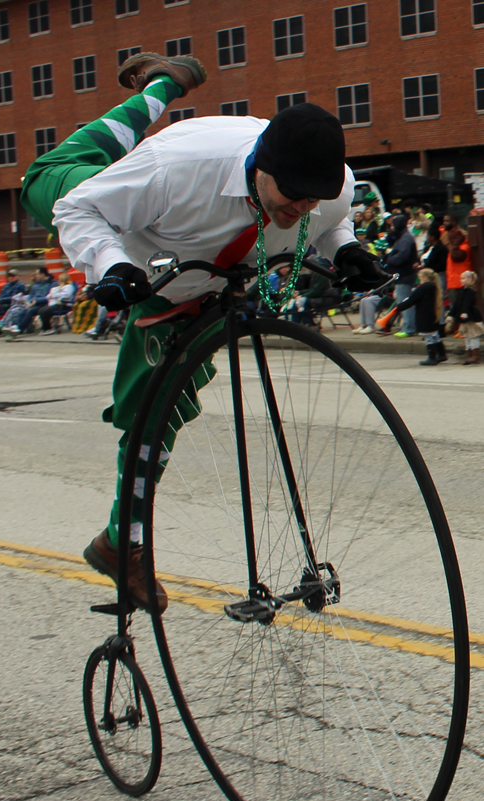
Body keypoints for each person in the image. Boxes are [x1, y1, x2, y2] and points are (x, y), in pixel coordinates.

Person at [20, 50, 387, 614]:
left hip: (194, 277)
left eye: (312, 197)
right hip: (112, 213)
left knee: (163, 405)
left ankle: (121, 540)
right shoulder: (173, 170)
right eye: (293, 195)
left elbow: (332, 220)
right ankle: (160, 85)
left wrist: (347, 249)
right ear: (261, 167)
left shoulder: (328, 190)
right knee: (75, 161)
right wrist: (111, 265)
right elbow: (79, 211)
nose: (303, 207)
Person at [395, 268, 447, 365]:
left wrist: (399, 307)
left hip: (425, 316)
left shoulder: (423, 288)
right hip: (433, 315)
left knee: (429, 337)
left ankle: (432, 357)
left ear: (424, 277)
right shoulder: (434, 287)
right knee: (435, 335)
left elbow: (412, 300)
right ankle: (441, 353)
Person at [383, 215, 418, 337]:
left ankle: (409, 328)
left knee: (405, 302)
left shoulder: (405, 239)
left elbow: (402, 256)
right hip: (403, 275)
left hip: (405, 275)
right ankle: (408, 326)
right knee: (403, 301)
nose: (391, 227)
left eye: (393, 225)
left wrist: (389, 259)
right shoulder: (402, 237)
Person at [448, 270, 484, 365]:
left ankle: (475, 355)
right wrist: (451, 315)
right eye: (461, 278)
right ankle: (470, 354)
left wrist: (464, 312)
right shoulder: (462, 291)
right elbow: (456, 304)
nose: (461, 280)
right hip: (464, 318)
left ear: (470, 280)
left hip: (471, 317)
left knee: (473, 335)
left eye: (463, 278)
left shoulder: (471, 292)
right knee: (467, 336)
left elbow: (467, 303)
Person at [14, 267, 56, 333]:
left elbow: (51, 296)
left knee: (30, 311)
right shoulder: (36, 284)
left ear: (42, 274)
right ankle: (18, 327)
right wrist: (31, 302)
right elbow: (31, 296)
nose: (36, 276)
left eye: (37, 274)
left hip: (45, 304)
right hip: (34, 304)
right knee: (22, 312)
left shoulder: (52, 283)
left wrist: (37, 301)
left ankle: (19, 329)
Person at [0, 269, 26, 335]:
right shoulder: (6, 285)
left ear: (17, 276)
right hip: (1, 303)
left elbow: (14, 298)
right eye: (9, 276)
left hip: (10, 304)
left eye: (13, 276)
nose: (11, 277)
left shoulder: (20, 285)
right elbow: (1, 296)